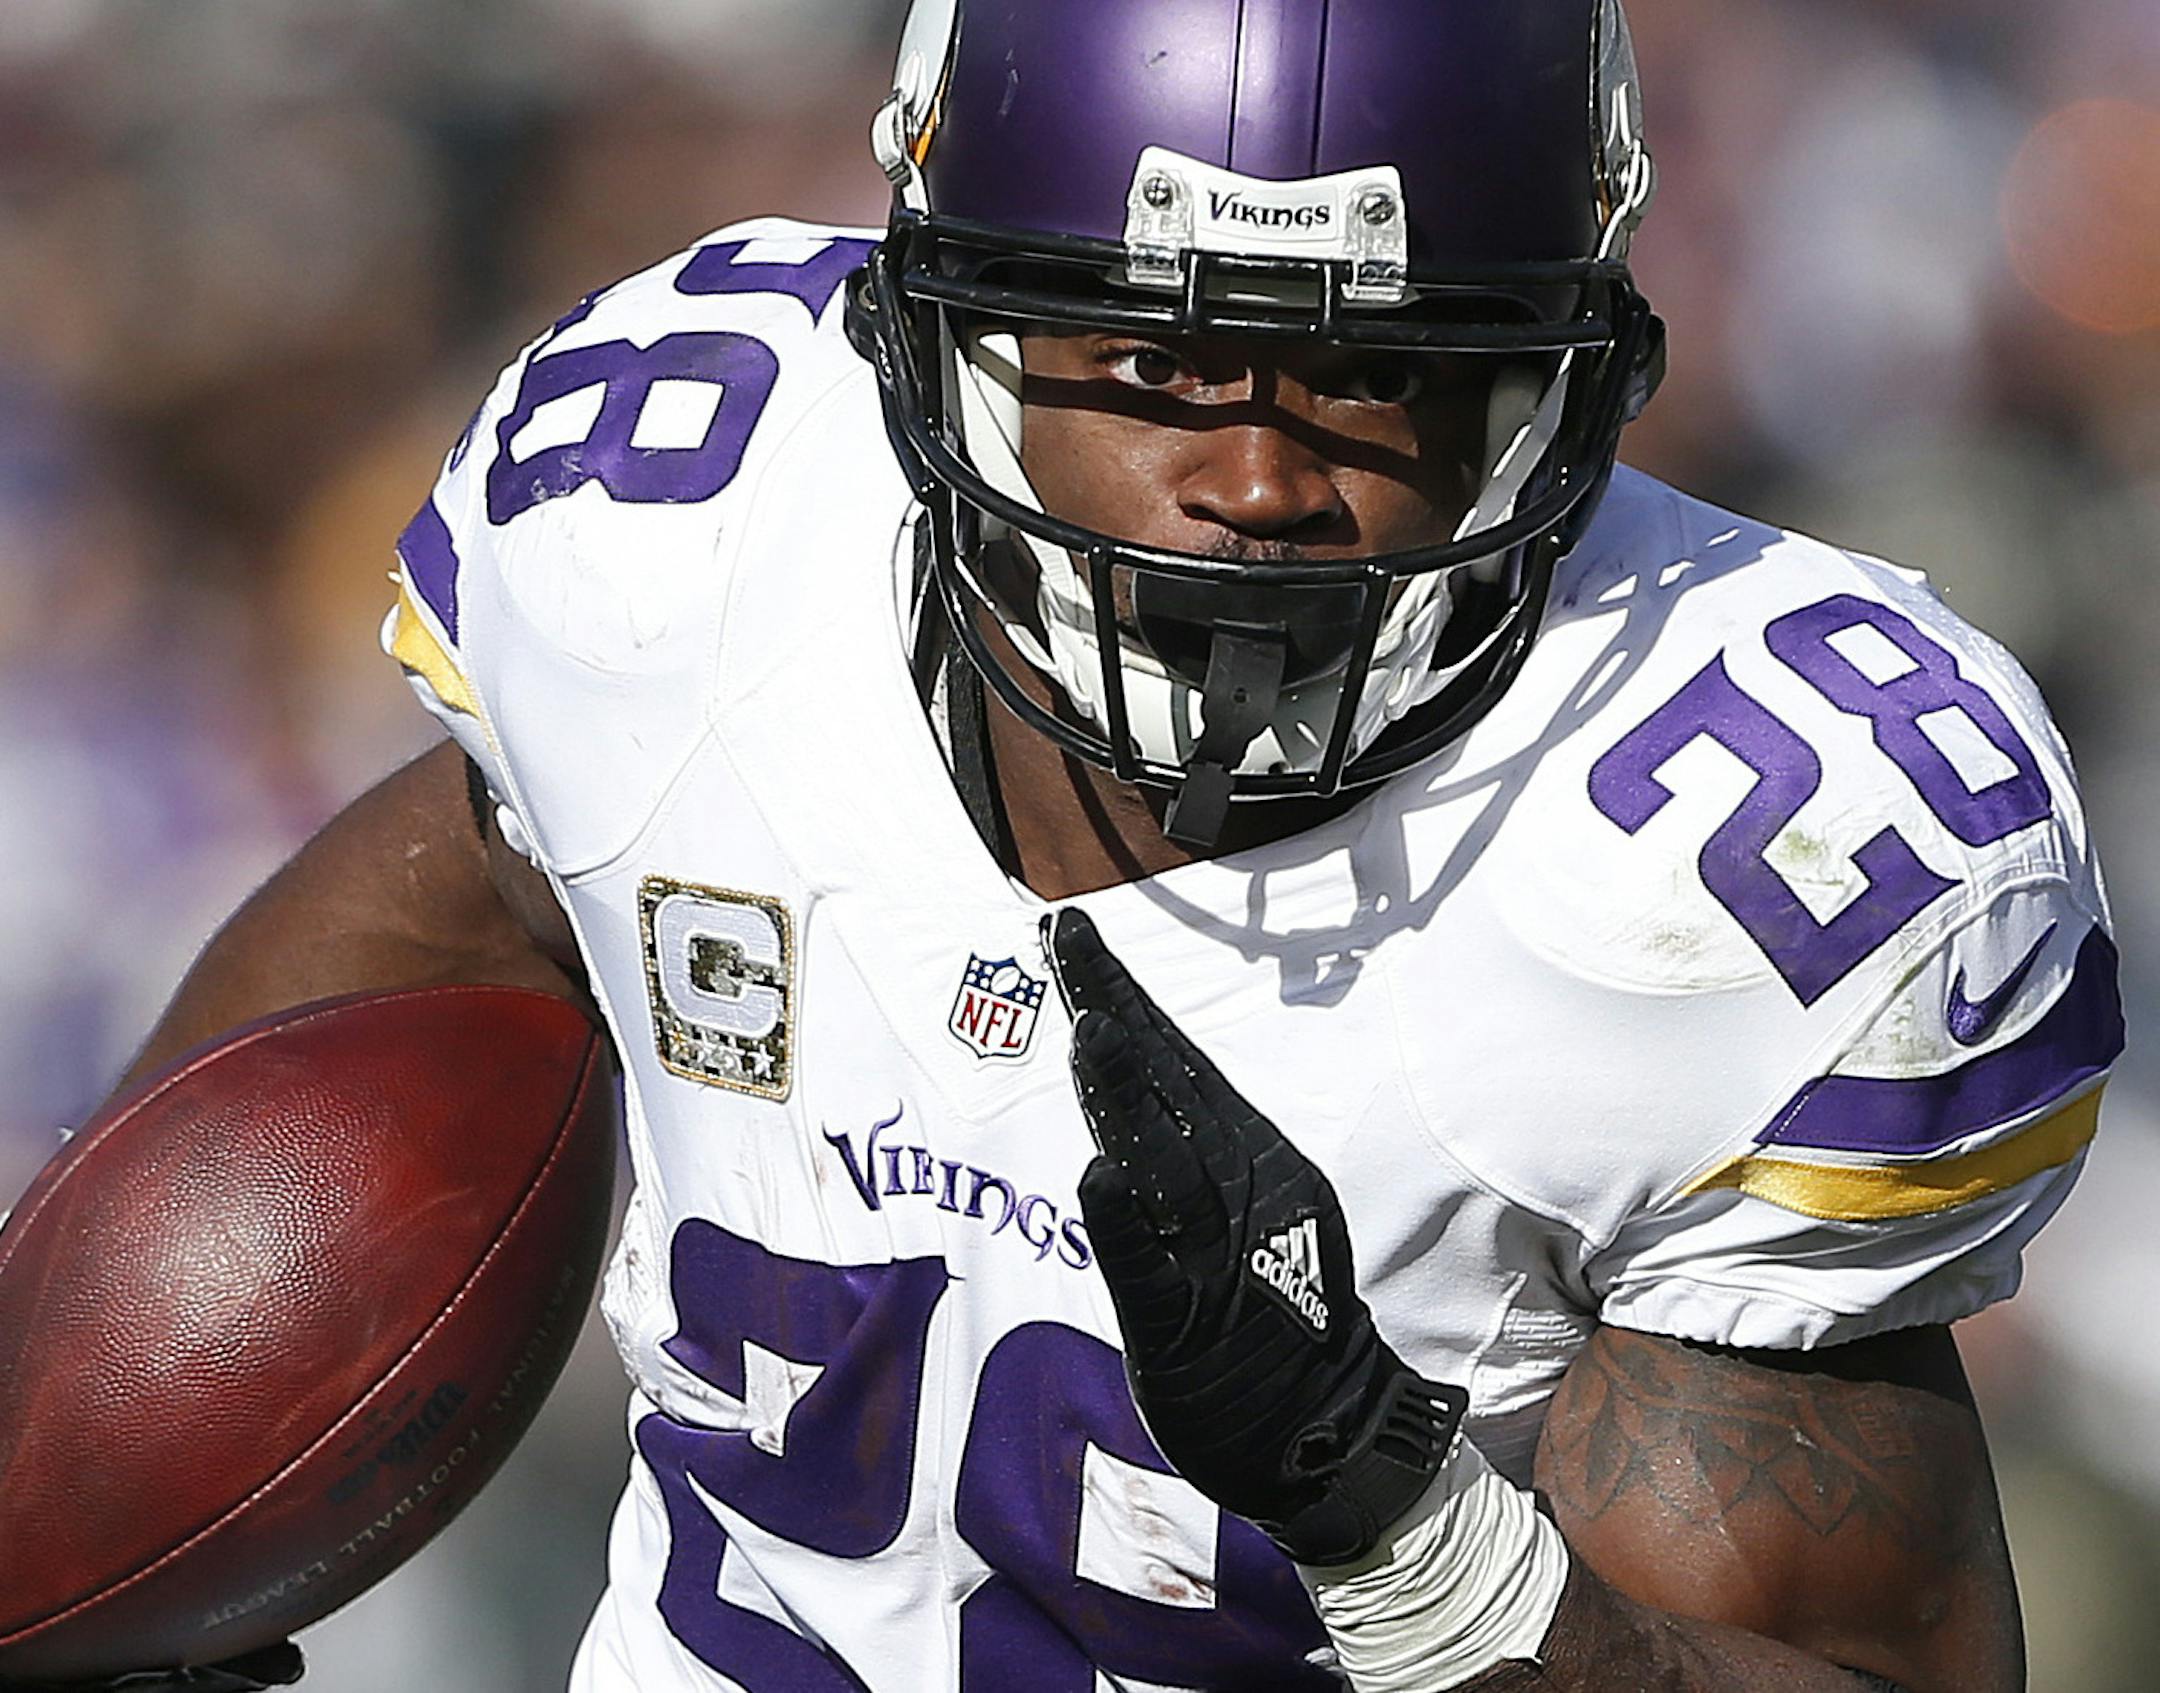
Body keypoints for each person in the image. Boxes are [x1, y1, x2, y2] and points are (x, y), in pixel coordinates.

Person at [49, 1, 2123, 1689]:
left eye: (1380, 375)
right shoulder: (683, 542)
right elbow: (468, 903)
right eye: (1153, 354)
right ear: (936, 339)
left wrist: (1401, 1530)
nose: (1253, 476)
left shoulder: (1747, 839)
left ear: (1558, 387)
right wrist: (107, 1489)